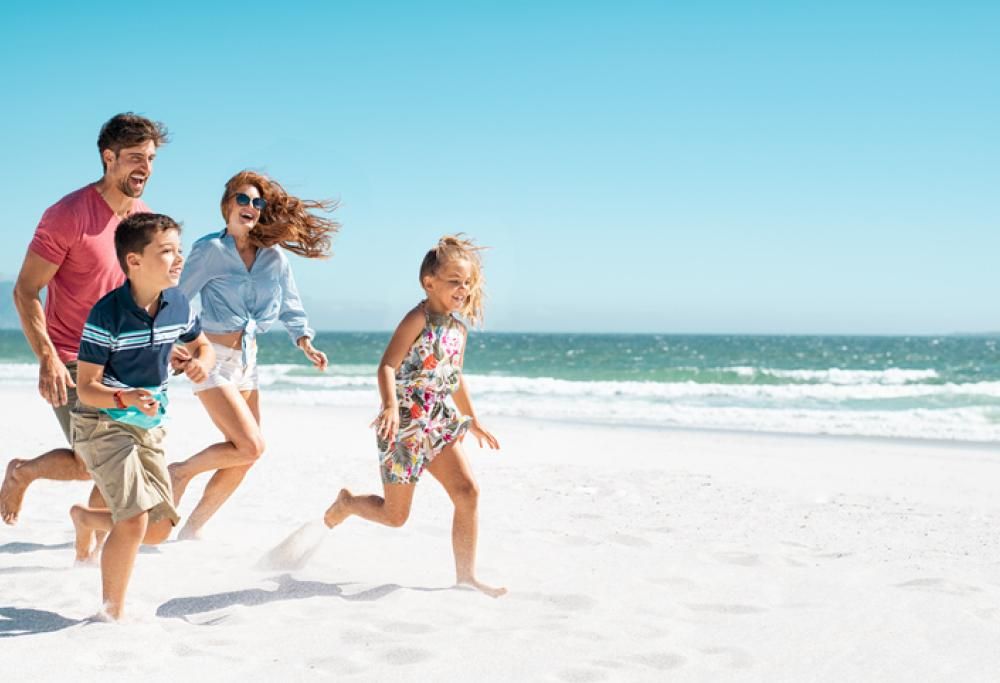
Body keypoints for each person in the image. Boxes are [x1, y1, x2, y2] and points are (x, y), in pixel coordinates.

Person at [1, 113, 169, 525]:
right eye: (135, 157)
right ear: (109, 157)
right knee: (98, 459)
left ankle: (88, 536)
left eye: (150, 158)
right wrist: (48, 358)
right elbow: (25, 290)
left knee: (108, 457)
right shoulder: (68, 214)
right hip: (74, 357)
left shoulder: (143, 219)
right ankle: (23, 474)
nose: (145, 168)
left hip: (123, 359)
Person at [322, 235, 506, 597]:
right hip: (403, 425)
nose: (463, 289)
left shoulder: (458, 330)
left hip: (438, 420)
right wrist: (390, 406)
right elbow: (387, 366)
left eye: (467, 282)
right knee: (395, 517)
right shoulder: (417, 318)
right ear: (429, 283)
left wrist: (473, 419)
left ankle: (466, 577)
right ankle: (348, 503)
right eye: (455, 281)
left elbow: (454, 378)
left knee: (467, 492)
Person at [168, 170, 337, 539]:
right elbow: (176, 298)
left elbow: (291, 304)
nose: (250, 206)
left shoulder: (274, 258)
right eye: (242, 199)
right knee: (250, 444)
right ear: (228, 204)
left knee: (247, 455)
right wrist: (174, 343)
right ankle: (179, 472)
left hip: (248, 362)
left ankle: (192, 529)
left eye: (257, 202)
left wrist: (304, 341)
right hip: (212, 359)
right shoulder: (210, 251)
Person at [68, 213, 213, 620]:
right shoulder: (106, 315)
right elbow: (86, 387)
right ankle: (110, 614)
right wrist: (124, 397)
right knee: (133, 520)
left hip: (149, 424)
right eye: (167, 251)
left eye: (179, 250)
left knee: (160, 528)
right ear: (134, 261)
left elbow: (203, 346)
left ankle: (86, 518)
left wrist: (200, 362)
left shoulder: (178, 304)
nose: (178, 259)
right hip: (102, 420)